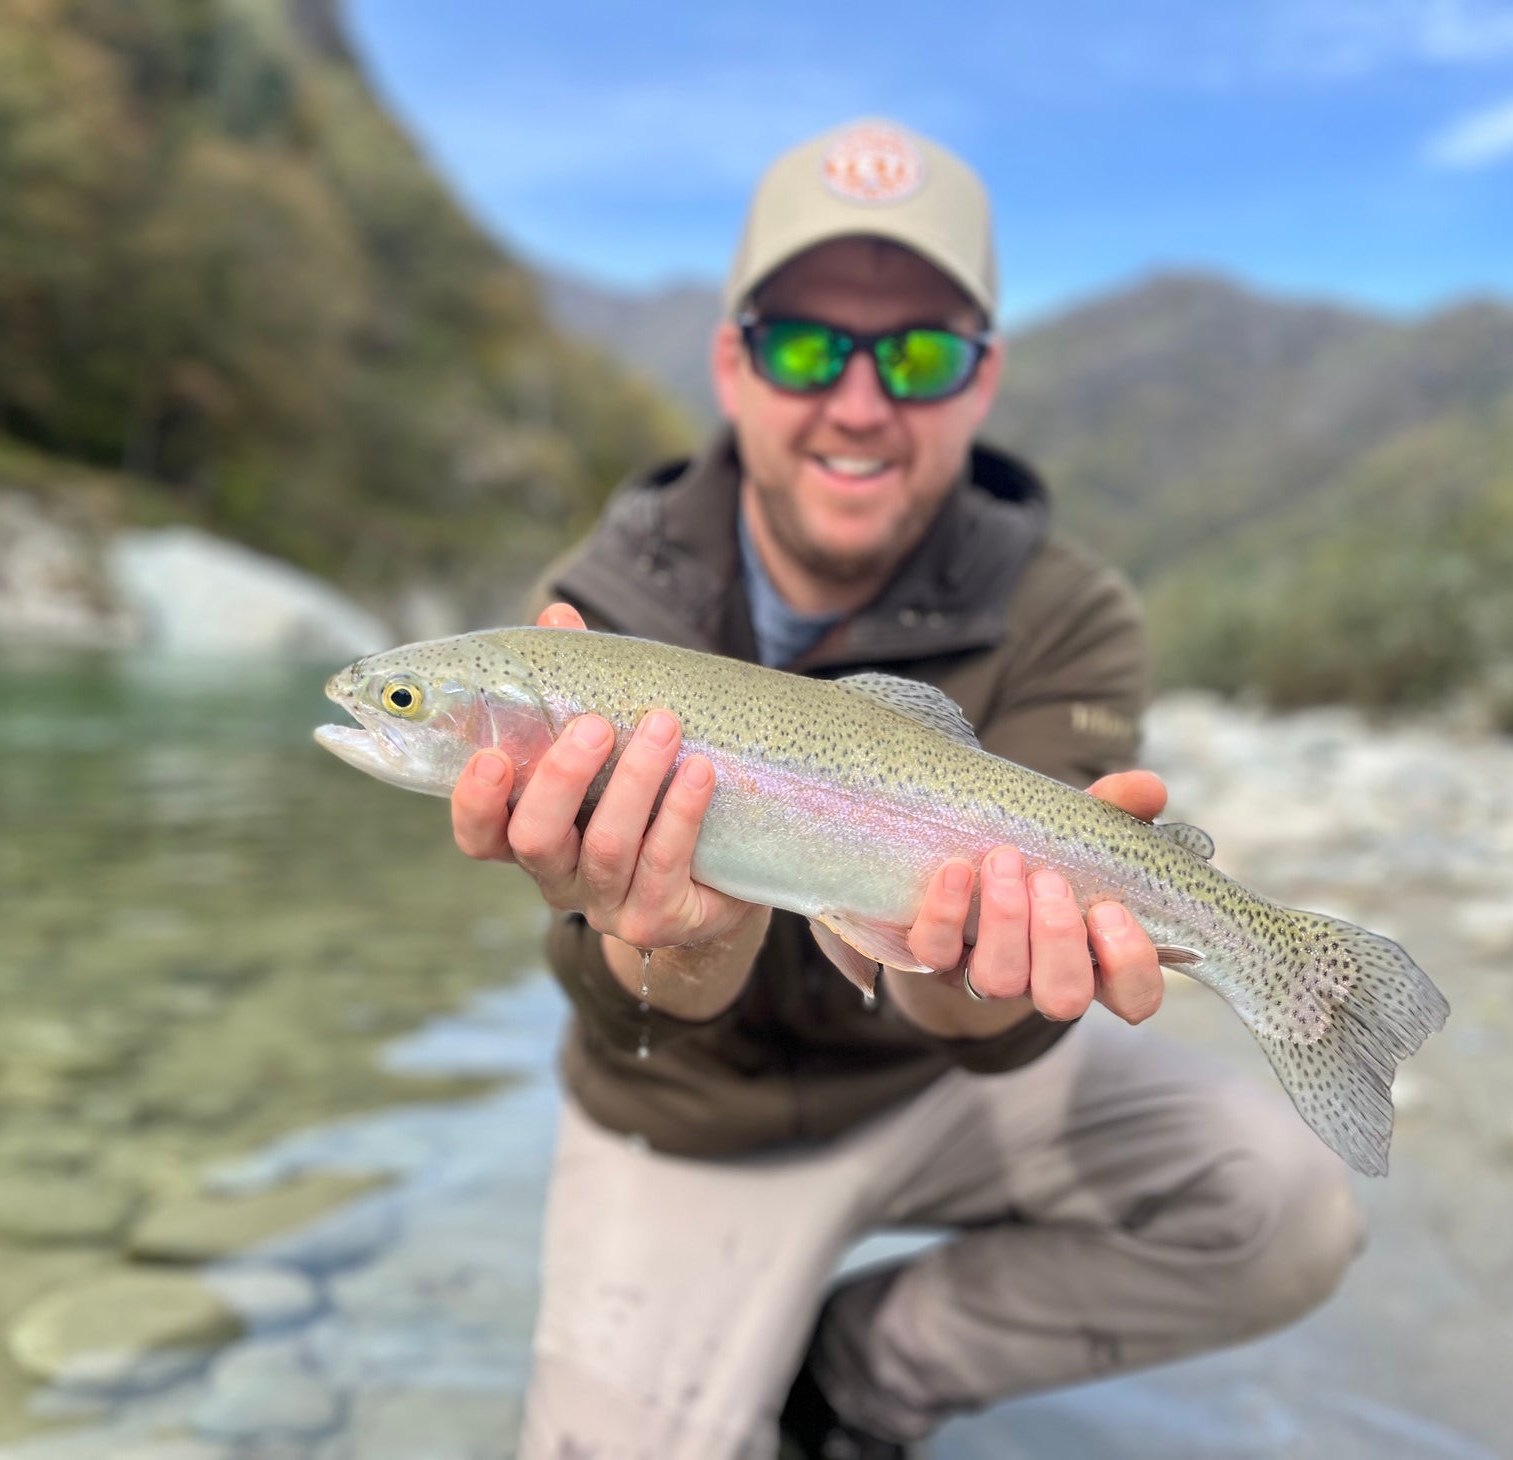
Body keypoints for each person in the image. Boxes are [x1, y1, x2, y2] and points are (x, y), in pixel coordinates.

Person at [449, 119, 1363, 1460]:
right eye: (808, 347)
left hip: (943, 1091)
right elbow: (618, 999)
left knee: (1286, 1206)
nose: (860, 402)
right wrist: (679, 949)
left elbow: (997, 1013)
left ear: (980, 381)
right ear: (732, 363)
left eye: (919, 354)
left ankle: (861, 1374)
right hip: (690, 1114)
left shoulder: (1066, 608)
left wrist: (954, 969)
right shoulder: (598, 616)